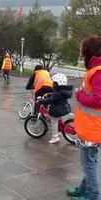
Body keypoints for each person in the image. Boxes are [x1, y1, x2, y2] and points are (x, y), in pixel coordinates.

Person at [66, 36, 101, 200]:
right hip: (90, 127)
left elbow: (98, 99)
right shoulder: (95, 70)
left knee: (89, 164)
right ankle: (83, 189)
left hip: (92, 129)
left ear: (90, 52)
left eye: (84, 51)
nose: (82, 55)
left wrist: (79, 95)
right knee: (88, 162)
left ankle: (93, 195)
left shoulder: (98, 71)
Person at [37, 73, 73, 144]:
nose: (52, 84)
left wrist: (41, 101)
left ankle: (55, 137)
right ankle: (59, 131)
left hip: (58, 109)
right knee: (59, 119)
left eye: (54, 83)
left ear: (58, 83)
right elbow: (54, 96)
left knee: (54, 121)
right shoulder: (62, 90)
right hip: (63, 108)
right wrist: (49, 94)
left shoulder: (58, 93)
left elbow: (51, 100)